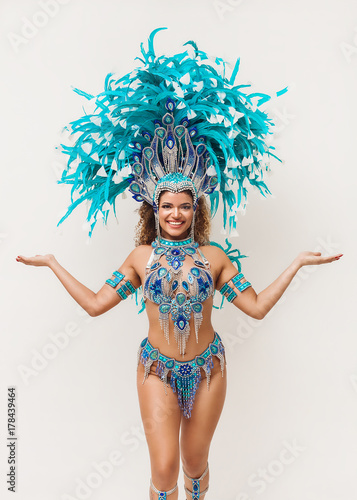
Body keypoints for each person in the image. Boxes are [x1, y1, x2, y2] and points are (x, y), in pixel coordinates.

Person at [16, 28, 343, 500]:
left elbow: (254, 309)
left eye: (184, 206)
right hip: (156, 369)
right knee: (165, 469)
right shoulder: (140, 258)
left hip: (210, 368)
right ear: (154, 209)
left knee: (194, 463)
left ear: (196, 210)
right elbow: (93, 305)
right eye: (166, 206)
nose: (175, 213)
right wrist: (51, 262)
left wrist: (295, 263)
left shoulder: (215, 258)